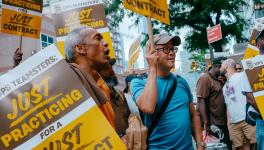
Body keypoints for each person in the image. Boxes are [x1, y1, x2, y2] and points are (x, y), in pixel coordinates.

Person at [131, 33, 204, 149]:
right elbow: (148, 107)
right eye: (165, 49)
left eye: (172, 49)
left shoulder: (181, 82)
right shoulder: (139, 82)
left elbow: (193, 115)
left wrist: (200, 144)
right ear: (152, 53)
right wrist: (152, 68)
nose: (171, 53)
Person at [64, 26, 116, 129]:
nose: (105, 43)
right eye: (98, 38)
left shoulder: (102, 84)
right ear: (80, 48)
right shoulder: (68, 84)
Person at [196, 57, 232, 150]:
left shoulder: (219, 79)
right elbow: (201, 101)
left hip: (222, 122)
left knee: (226, 146)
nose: (226, 70)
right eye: (225, 67)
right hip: (213, 124)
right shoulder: (205, 78)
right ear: (218, 66)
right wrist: (206, 123)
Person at [220, 59, 256, 150]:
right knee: (242, 147)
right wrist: (229, 124)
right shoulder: (224, 87)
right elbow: (228, 106)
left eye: (221, 66)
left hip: (247, 119)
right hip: (234, 123)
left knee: (256, 144)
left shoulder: (242, 76)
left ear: (226, 66)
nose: (220, 68)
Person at [98, 41, 131, 137]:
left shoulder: (120, 95)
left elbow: (129, 119)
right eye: (107, 68)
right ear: (97, 72)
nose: (112, 71)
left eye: (111, 67)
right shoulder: (94, 98)